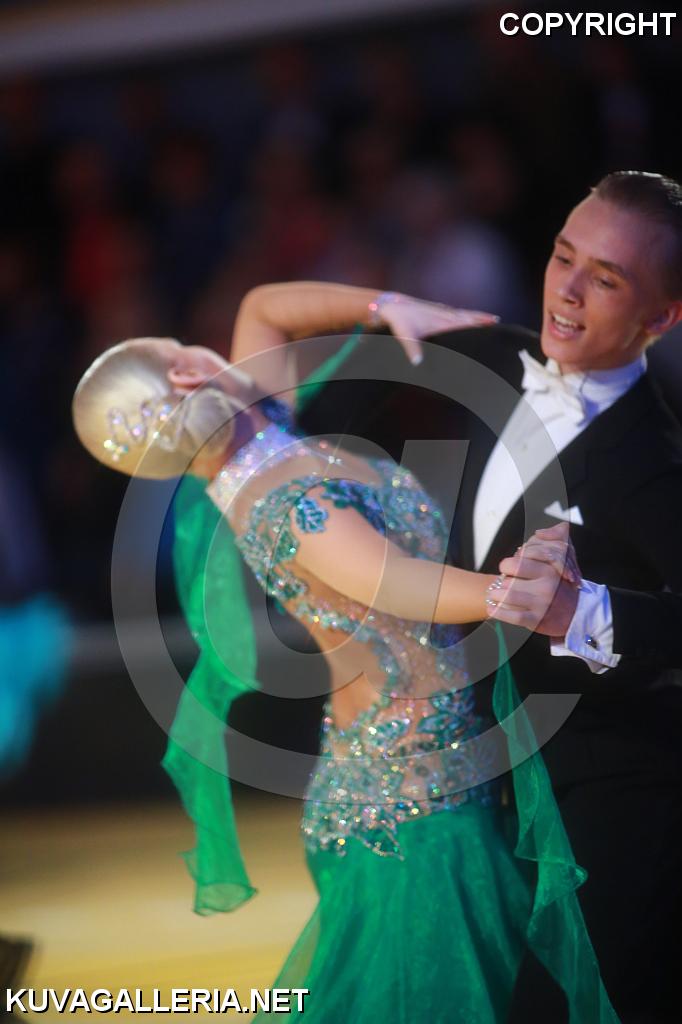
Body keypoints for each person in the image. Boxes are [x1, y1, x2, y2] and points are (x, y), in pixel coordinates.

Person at [72, 284, 619, 1023]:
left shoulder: (250, 435)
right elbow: (399, 584)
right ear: (188, 373)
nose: (215, 351)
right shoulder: (284, 498)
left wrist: (388, 307)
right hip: (417, 803)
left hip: (421, 770)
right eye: (186, 349)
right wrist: (525, 595)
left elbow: (264, 308)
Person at [299, 172, 682, 1023]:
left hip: (615, 804)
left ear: (660, 319)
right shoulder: (494, 356)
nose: (568, 290)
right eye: (563, 257)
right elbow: (319, 392)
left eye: (606, 279)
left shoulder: (656, 461)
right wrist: (380, 307)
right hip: (496, 791)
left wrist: (584, 612)